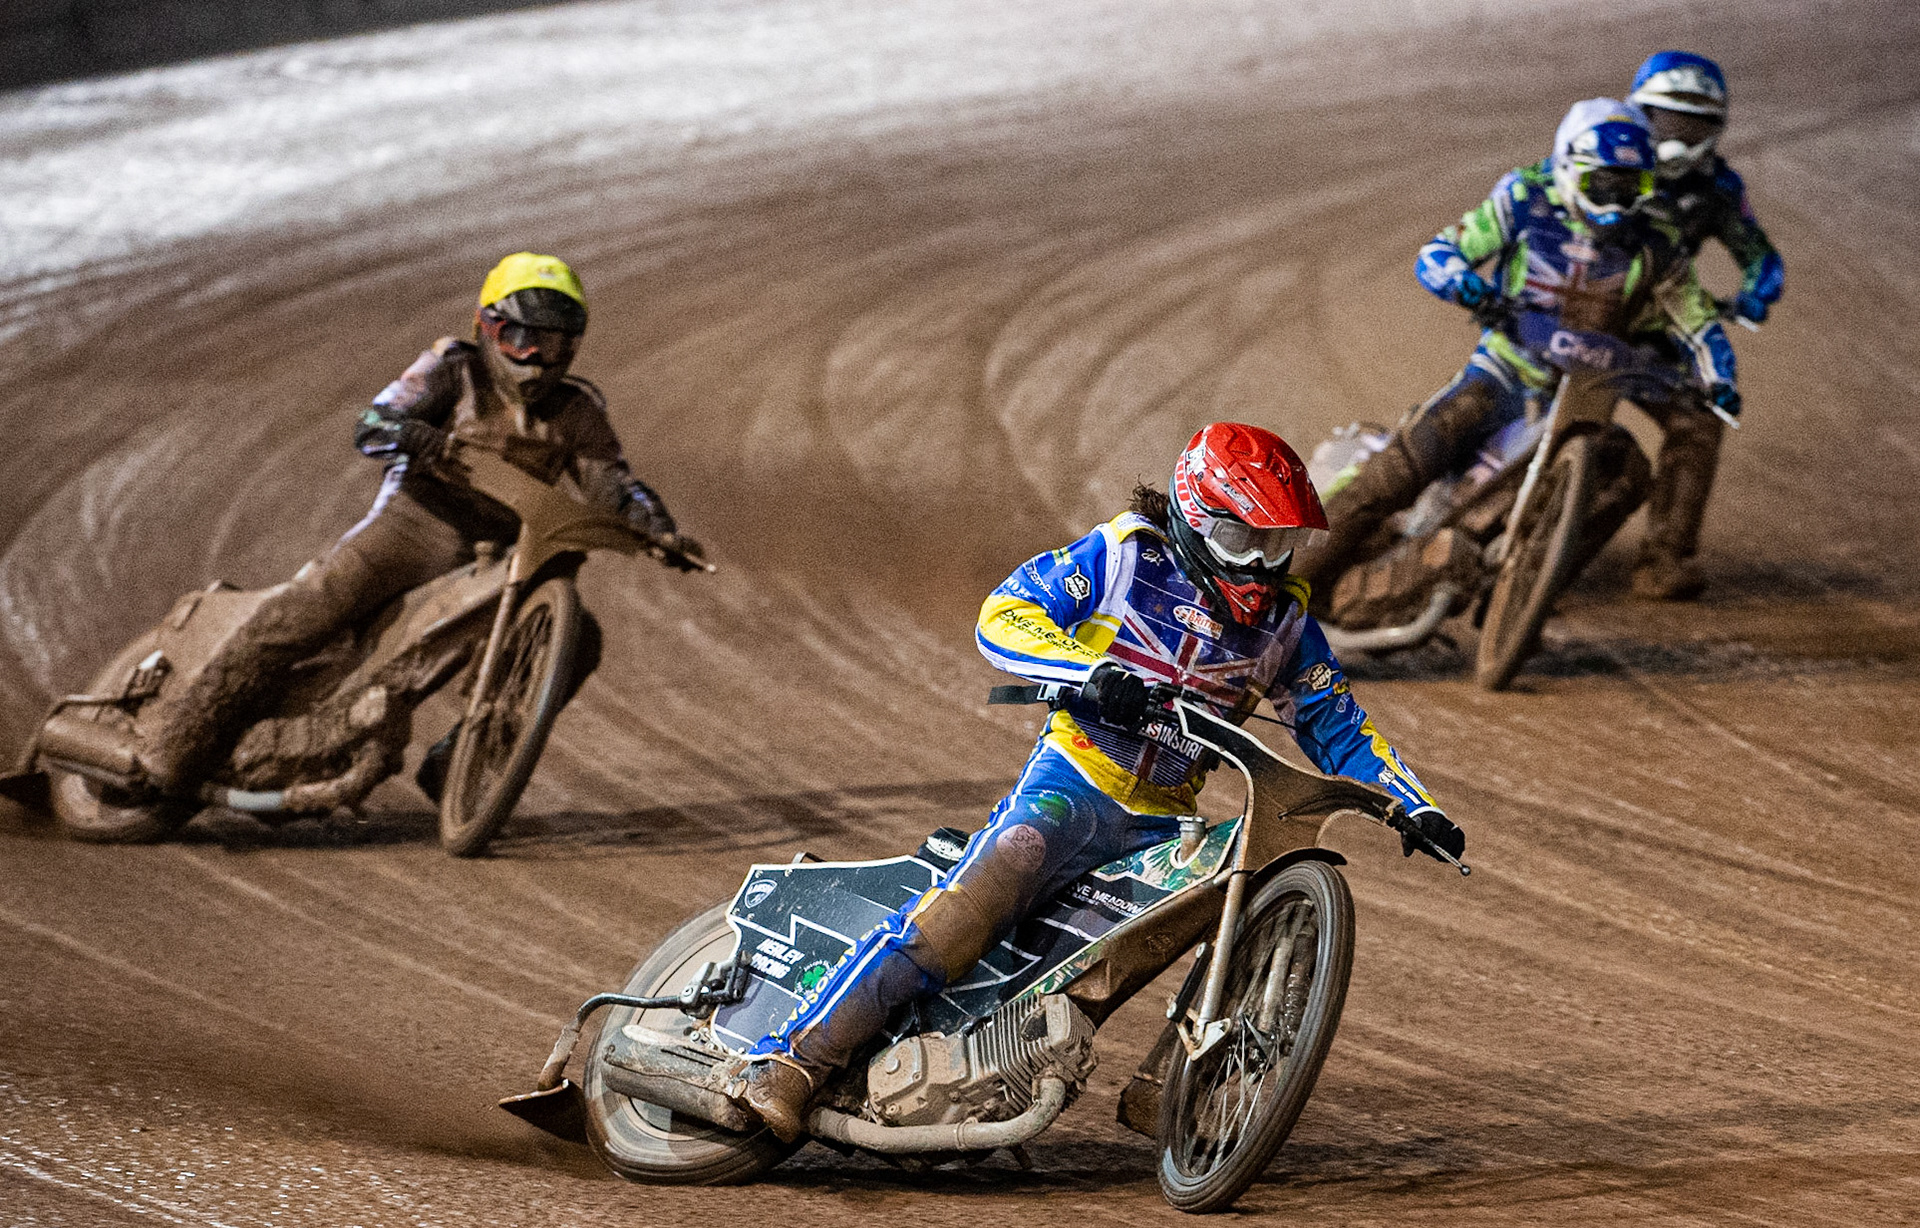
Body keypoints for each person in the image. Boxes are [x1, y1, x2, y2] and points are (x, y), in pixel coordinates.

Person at [738, 421, 1465, 1141]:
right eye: (1243, 539)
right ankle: (793, 1059)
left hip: (1168, 825)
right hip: (1075, 781)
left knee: (1251, 875)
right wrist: (1089, 671)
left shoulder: (1287, 624)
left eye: (1277, 544)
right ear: (1195, 518)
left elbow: (1339, 725)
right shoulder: (1124, 557)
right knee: (985, 890)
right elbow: (1006, 613)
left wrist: (1413, 805)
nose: (1261, 565)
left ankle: (1169, 1086)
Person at [137, 252, 702, 795]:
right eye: (519, 338)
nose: (534, 357)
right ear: (487, 328)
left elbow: (613, 483)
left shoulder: (579, 409)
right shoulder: (453, 368)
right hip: (414, 526)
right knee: (313, 605)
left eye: (551, 343)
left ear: (571, 347)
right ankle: (181, 737)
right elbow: (373, 422)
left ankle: (461, 763)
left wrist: (658, 530)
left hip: (501, 556)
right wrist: (410, 432)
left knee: (579, 640)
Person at [1291, 99, 1739, 605]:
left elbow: (1698, 319)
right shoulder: (1524, 196)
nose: (1615, 202)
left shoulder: (1658, 238)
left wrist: (1719, 376)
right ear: (1569, 168)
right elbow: (1439, 253)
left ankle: (1543, 594)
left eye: (1629, 188)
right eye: (1601, 186)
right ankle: (1289, 582)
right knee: (1406, 464)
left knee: (1625, 476)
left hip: (1590, 388)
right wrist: (1463, 284)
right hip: (1505, 370)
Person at [1625, 50, 1784, 599]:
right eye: (1668, 121)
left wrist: (1756, 295)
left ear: (1715, 131)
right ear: (1640, 114)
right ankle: (1479, 538)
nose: (1678, 138)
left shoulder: (1719, 189)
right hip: (1569, 315)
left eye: (1693, 126)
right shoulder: (1603, 157)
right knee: (1515, 404)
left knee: (1698, 418)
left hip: (1651, 331)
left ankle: (1664, 558)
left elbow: (1759, 255)